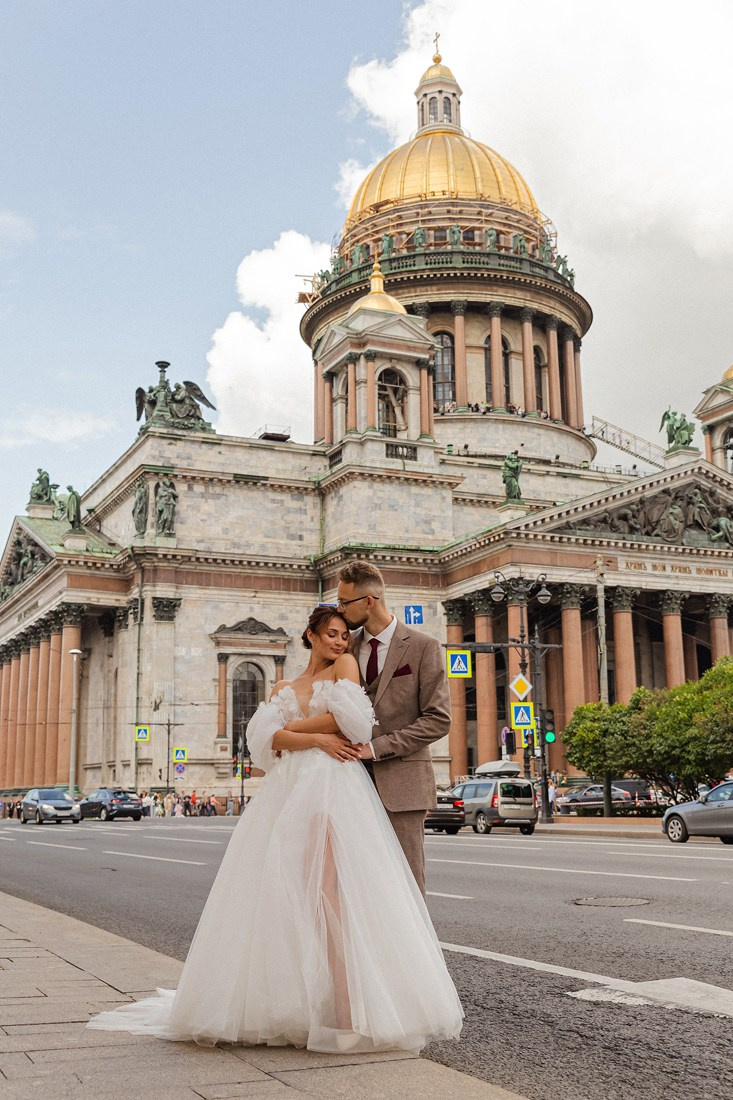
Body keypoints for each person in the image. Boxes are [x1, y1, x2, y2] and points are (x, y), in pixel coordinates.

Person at [87, 605, 462, 1053]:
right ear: (311, 635)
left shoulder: (344, 667)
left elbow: (353, 724)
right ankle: (301, 1005)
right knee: (285, 893)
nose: (341, 642)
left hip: (334, 788)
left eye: (344, 635)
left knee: (332, 894)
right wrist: (313, 737)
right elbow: (264, 741)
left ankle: (346, 1012)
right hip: (288, 793)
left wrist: (293, 729)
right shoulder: (284, 685)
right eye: (332, 634)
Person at [333, 560, 451, 896]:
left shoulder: (423, 646)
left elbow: (438, 719)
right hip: (349, 783)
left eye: (344, 602)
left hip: (403, 786)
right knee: (355, 884)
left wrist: (376, 748)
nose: (340, 609)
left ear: (369, 601)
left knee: (406, 885)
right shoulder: (345, 647)